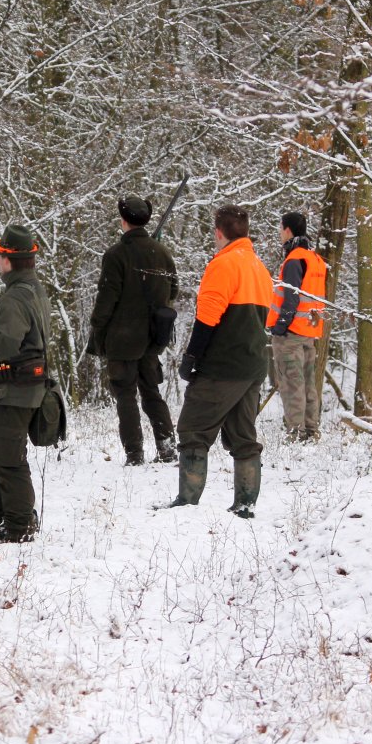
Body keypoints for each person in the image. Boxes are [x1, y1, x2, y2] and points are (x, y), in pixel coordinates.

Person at [170, 205, 272, 518]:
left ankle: (186, 503)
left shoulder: (223, 264)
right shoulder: (259, 268)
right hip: (253, 364)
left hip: (222, 365)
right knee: (243, 436)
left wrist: (192, 356)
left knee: (193, 429)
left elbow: (208, 317)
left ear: (218, 232)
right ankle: (245, 505)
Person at [0, 225, 53, 544]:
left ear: (7, 260)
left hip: (12, 390)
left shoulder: (14, 298)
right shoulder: (33, 290)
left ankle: (20, 527)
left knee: (7, 462)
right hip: (15, 390)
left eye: (0, 257)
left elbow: (4, 346)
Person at [88, 195, 179, 465]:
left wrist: (98, 328)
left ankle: (134, 453)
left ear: (123, 220)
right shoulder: (162, 252)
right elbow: (173, 290)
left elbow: (107, 299)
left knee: (125, 395)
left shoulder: (116, 255)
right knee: (151, 392)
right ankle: (167, 448)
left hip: (122, 339)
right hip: (153, 336)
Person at [266, 211, 327, 442]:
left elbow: (291, 297)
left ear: (288, 230)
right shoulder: (315, 259)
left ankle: (295, 434)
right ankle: (311, 431)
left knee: (292, 384)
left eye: (280, 228)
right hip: (309, 331)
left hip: (291, 333)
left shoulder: (294, 259)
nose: (279, 233)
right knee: (308, 384)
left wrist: (281, 326)